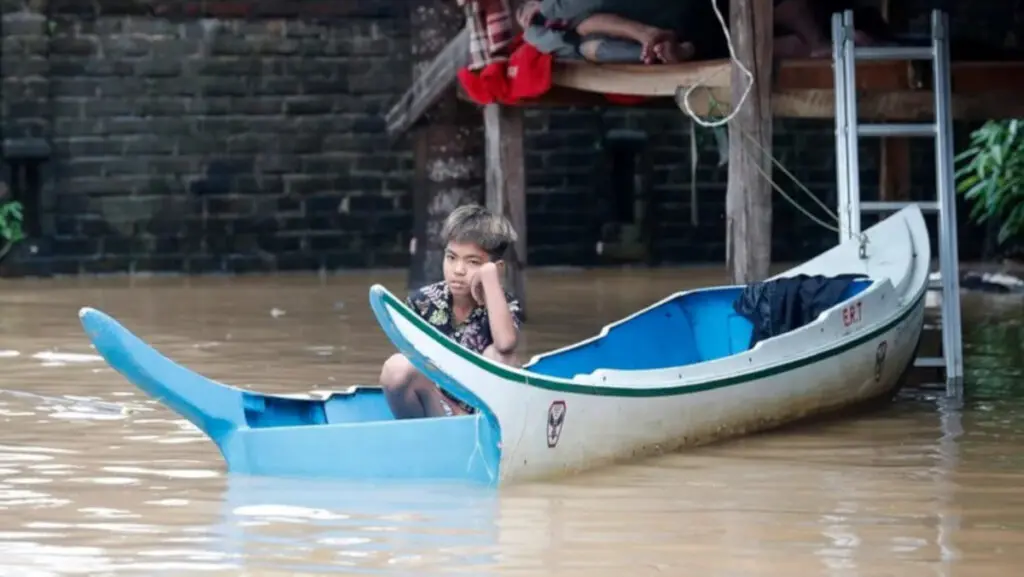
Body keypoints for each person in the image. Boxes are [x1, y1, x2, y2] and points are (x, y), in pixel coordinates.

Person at [378, 204, 524, 419]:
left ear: (495, 267)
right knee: (396, 367)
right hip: (436, 409)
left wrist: (490, 278)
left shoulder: (504, 305)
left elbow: (506, 344)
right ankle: (423, 435)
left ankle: (483, 432)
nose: (458, 270)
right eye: (451, 257)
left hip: (480, 417)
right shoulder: (423, 302)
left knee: (502, 358)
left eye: (473, 262)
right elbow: (408, 369)